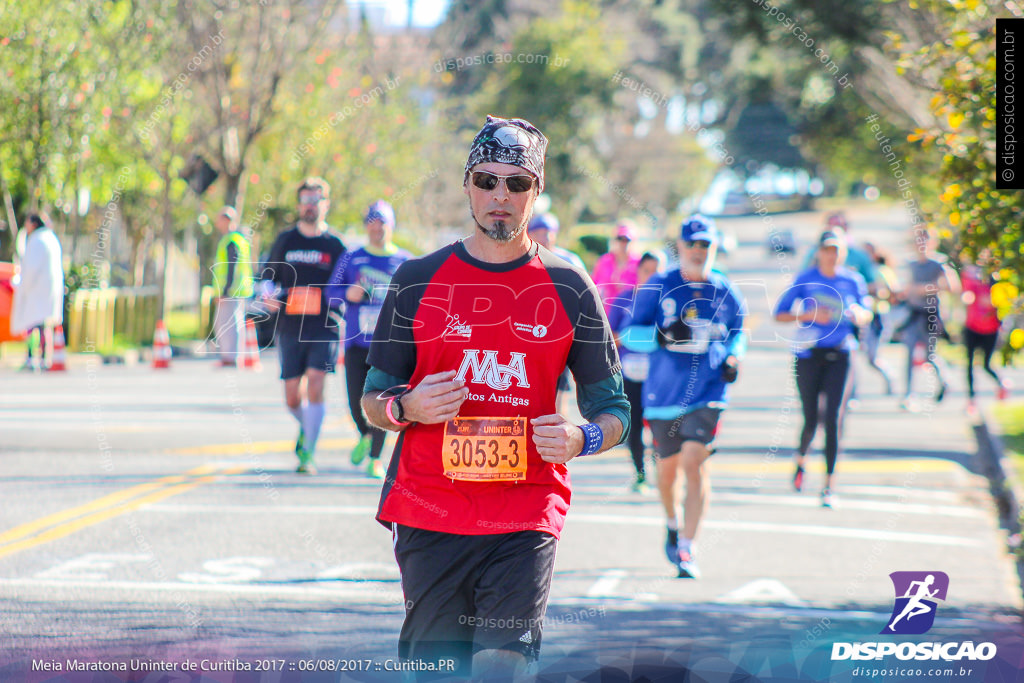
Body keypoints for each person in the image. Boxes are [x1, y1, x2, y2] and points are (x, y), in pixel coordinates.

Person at [360, 115, 630, 678]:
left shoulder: (568, 286)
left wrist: (583, 436)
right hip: (429, 509)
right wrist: (406, 408)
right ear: (467, 185)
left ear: (538, 189)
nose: (499, 196)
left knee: (500, 668)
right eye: (486, 180)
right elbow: (373, 399)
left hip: (525, 510)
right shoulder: (416, 279)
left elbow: (615, 410)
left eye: (517, 183)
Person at [622, 215, 746, 579]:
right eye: (692, 244)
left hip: (709, 391)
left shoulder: (725, 289)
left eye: (705, 245)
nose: (698, 251)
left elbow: (738, 331)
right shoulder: (660, 285)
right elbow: (629, 335)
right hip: (663, 394)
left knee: (695, 460)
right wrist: (659, 337)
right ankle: (672, 524)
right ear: (680, 247)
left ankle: (688, 548)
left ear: (713, 248)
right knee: (667, 472)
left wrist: (735, 356)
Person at [774, 229, 872, 508]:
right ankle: (801, 460)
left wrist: (860, 315)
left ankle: (829, 485)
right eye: (827, 249)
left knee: (833, 419)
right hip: (808, 354)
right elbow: (779, 314)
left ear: (842, 253)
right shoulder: (806, 279)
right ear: (819, 252)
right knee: (811, 418)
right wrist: (806, 315)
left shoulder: (852, 280)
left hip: (841, 353)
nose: (831, 255)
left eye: (836, 250)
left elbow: (867, 311)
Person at [259, 177, 346, 474]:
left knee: (317, 383)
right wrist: (267, 296)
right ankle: (307, 428)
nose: (310, 206)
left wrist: (342, 299)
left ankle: (308, 452)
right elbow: (267, 279)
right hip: (290, 326)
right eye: (306, 201)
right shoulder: (285, 240)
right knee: (292, 395)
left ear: (326, 204)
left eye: (316, 200)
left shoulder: (335, 245)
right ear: (299, 205)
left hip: (324, 326)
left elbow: (346, 284)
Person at [325, 200, 410, 478]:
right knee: (355, 400)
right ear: (366, 227)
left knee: (384, 400)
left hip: (389, 345)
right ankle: (364, 434)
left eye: (382, 222)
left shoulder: (405, 261)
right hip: (356, 342)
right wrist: (346, 294)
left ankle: (375, 457)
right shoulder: (351, 258)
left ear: (392, 225)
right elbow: (330, 293)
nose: (377, 228)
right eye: (372, 223)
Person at [607, 251, 661, 494]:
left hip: (660, 375)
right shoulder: (624, 299)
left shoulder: (667, 303)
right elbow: (608, 337)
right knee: (635, 425)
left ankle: (664, 471)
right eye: (647, 270)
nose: (652, 276)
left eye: (658, 271)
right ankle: (640, 474)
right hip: (630, 373)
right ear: (638, 272)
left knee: (662, 423)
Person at [527, 212, 585, 413]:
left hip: (562, 330)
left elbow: (585, 294)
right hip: (529, 331)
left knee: (561, 381)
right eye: (540, 231)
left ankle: (557, 425)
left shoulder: (569, 260)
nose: (545, 237)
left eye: (549, 231)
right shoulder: (522, 260)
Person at [897, 228, 960, 409]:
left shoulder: (938, 263)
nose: (921, 245)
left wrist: (928, 287)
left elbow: (951, 287)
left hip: (931, 315)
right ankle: (908, 395)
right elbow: (905, 288)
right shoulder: (910, 263)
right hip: (913, 313)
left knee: (929, 355)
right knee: (909, 353)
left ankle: (944, 381)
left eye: (925, 240)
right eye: (918, 241)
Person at [10, 213, 64, 372]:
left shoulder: (36, 240)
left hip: (36, 289)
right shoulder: (51, 238)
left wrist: (23, 286)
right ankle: (44, 358)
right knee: (44, 325)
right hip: (50, 290)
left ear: (33, 224)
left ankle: (32, 358)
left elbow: (30, 269)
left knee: (33, 325)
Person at [960, 253, 1009, 405]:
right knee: (969, 363)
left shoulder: (996, 278)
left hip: (990, 327)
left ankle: (1002, 383)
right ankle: (971, 400)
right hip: (972, 325)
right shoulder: (969, 274)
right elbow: (966, 293)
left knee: (986, 364)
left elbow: (1003, 302)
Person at [211, 206, 254, 367]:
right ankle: (229, 356)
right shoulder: (236, 239)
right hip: (236, 290)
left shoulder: (232, 240)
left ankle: (231, 357)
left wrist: (225, 290)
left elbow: (231, 266)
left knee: (228, 324)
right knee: (229, 323)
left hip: (231, 291)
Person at [862, 242, 900, 395]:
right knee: (866, 356)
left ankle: (891, 377)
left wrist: (879, 293)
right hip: (865, 317)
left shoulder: (882, 270)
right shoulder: (862, 271)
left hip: (879, 316)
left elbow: (894, 291)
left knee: (873, 356)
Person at [592, 220, 640, 312]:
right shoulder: (604, 261)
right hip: (605, 312)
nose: (623, 243)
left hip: (627, 312)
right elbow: (594, 284)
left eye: (627, 240)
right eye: (620, 239)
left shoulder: (638, 263)